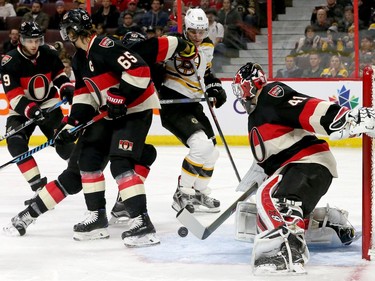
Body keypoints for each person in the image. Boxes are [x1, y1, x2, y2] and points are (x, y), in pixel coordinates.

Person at [231, 62, 373, 274]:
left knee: (276, 203)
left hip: (307, 163)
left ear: (249, 86)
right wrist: (260, 171)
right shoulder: (258, 114)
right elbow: (274, 150)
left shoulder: (270, 94)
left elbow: (303, 106)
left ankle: (286, 251)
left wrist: (343, 119)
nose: (240, 95)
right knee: (262, 218)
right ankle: (325, 223)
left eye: (240, 88)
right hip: (299, 168)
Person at [57, 9, 160, 247]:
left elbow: (140, 70)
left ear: (73, 31)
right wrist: (71, 124)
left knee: (121, 162)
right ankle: (97, 218)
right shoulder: (79, 58)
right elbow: (83, 96)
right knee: (89, 160)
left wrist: (121, 95)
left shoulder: (105, 45)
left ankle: (141, 221)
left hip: (135, 110)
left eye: (67, 30)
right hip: (111, 113)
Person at [159, 8, 227, 213]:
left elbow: (206, 72)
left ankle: (199, 192)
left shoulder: (207, 45)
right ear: (185, 29)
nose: (197, 37)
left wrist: (215, 86)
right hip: (173, 105)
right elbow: (151, 64)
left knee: (212, 152)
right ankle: (183, 193)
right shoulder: (171, 43)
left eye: (201, 32)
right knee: (200, 146)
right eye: (193, 32)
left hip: (194, 104)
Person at [0, 21, 75, 199]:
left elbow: (58, 75)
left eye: (37, 40)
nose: (34, 45)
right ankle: (38, 187)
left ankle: (81, 173)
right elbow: (14, 95)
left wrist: (65, 88)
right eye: (29, 41)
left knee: (63, 142)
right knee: (16, 143)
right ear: (21, 40)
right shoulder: (10, 61)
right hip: (21, 109)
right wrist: (31, 110)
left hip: (48, 104)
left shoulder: (48, 53)